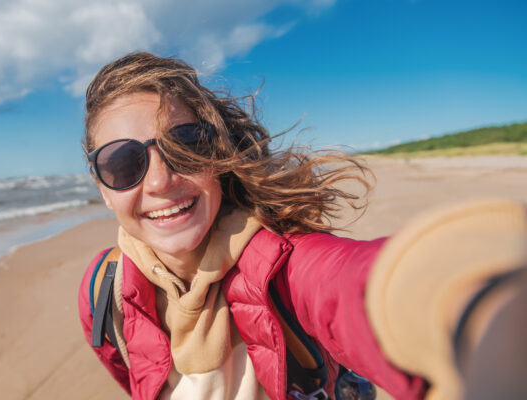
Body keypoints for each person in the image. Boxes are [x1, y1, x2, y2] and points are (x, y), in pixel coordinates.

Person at [77, 52, 527, 400]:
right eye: (122, 163)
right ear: (102, 187)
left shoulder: (282, 264)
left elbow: (363, 285)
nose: (160, 181)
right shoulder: (103, 291)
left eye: (186, 146)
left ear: (218, 156)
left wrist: (479, 300)